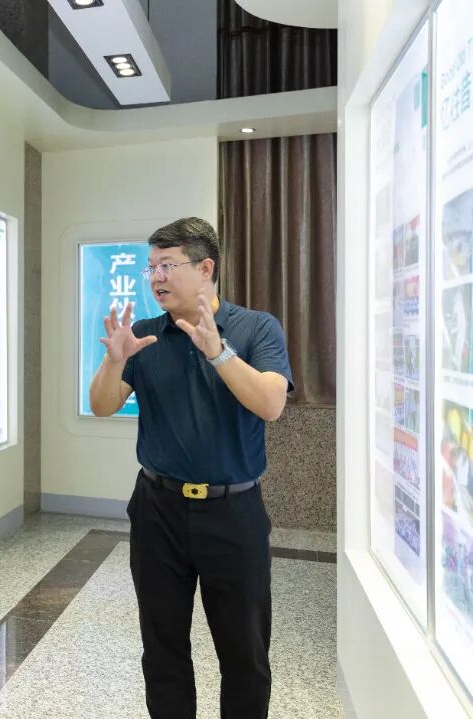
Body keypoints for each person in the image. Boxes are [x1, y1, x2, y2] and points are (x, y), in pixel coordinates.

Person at [88, 217, 292, 719]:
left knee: (244, 653)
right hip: (158, 509)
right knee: (161, 649)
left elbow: (271, 404)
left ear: (205, 269)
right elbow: (102, 405)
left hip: (233, 512)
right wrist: (114, 362)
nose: (156, 278)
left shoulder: (256, 327)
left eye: (167, 265)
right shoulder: (144, 335)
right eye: (151, 268)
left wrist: (218, 353)